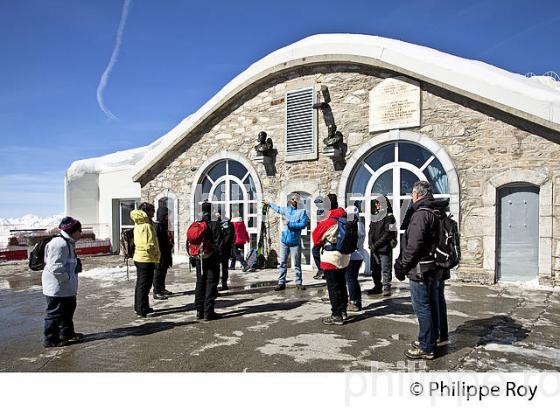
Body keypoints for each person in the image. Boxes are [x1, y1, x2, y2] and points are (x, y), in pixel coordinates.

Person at [394, 181, 449, 360]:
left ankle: (426, 347)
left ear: (418, 195)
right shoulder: (435, 212)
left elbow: (414, 246)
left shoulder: (421, 215)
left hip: (421, 269)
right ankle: (429, 339)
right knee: (431, 305)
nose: (411, 197)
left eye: (412, 194)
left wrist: (402, 266)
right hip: (433, 268)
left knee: (422, 308)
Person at [42, 216, 84, 348]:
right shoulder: (59, 244)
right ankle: (50, 339)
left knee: (67, 311)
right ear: (72, 231)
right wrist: (67, 279)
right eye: (79, 230)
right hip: (57, 288)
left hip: (66, 288)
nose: (81, 233)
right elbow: (55, 267)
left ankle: (67, 333)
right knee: (54, 314)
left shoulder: (68, 242)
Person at [312, 194, 351, 325]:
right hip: (344, 256)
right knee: (342, 285)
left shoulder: (327, 220)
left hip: (331, 257)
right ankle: (344, 310)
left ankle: (336, 315)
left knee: (333, 287)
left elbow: (316, 238)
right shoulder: (345, 216)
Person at [263, 196, 309, 291]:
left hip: (295, 242)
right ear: (289, 201)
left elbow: (303, 225)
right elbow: (278, 209)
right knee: (283, 263)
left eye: (295, 199)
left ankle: (298, 282)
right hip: (285, 241)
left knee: (297, 263)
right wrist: (269, 204)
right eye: (292, 199)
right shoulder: (286, 210)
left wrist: (289, 224)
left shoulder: (302, 212)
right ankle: (281, 283)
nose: (293, 200)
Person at [192, 201, 223, 320]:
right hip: (211, 257)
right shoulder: (214, 223)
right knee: (211, 283)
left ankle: (199, 311)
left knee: (200, 283)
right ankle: (208, 311)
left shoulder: (197, 223)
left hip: (199, 257)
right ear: (211, 210)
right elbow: (219, 242)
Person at [131, 202, 161, 318]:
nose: (153, 213)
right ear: (146, 212)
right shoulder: (147, 225)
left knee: (141, 284)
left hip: (140, 257)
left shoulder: (138, 223)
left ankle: (141, 306)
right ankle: (141, 308)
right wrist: (155, 253)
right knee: (144, 285)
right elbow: (149, 243)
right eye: (152, 211)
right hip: (146, 258)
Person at [368, 196, 397, 297]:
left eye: (379, 203)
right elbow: (370, 231)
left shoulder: (390, 217)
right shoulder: (375, 215)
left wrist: (376, 245)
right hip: (374, 248)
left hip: (384, 248)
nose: (377, 205)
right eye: (376, 203)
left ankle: (386, 287)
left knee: (386, 268)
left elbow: (388, 234)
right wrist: (370, 243)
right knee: (375, 269)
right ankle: (377, 286)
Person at [345, 205, 366, 312]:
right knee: (353, 279)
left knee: (351, 279)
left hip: (353, 256)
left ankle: (354, 302)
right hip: (359, 255)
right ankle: (357, 300)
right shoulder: (360, 225)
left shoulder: (353, 226)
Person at [153, 206, 173, 300]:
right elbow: (157, 241)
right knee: (158, 271)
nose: (167, 217)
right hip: (160, 253)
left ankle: (162, 288)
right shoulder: (157, 226)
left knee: (163, 270)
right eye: (166, 215)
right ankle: (156, 291)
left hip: (165, 252)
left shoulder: (163, 224)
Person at [216, 211, 235, 291]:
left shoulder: (227, 223)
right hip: (217, 249)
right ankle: (216, 284)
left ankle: (224, 284)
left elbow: (229, 235)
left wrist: (221, 245)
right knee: (216, 268)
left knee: (224, 268)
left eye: (217, 214)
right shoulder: (216, 222)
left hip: (224, 249)